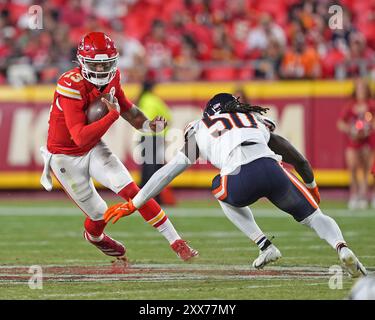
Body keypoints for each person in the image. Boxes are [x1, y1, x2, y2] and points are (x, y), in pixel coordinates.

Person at [104, 93, 367, 277]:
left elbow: (167, 173)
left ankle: (264, 245)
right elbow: (297, 157)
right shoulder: (255, 120)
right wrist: (310, 185)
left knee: (219, 190)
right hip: (273, 169)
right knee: (315, 217)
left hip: (239, 177)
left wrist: (135, 203)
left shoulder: (200, 127)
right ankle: (342, 247)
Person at [39, 32, 198, 263]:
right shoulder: (70, 84)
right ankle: (94, 237)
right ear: (82, 62)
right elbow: (80, 137)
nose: (103, 70)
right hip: (65, 156)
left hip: (93, 147)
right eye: (97, 64)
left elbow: (126, 108)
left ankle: (177, 242)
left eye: (106, 64)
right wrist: (111, 116)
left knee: (135, 191)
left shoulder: (113, 78)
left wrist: (147, 125)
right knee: (99, 213)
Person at [136, 79, 175, 205]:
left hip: (145, 136)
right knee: (155, 169)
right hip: (155, 137)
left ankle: (142, 196)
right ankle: (154, 198)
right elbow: (167, 116)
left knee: (147, 168)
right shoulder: (153, 99)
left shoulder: (142, 100)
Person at [337, 79, 375, 209]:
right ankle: (354, 194)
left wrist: (369, 128)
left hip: (368, 140)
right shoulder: (350, 105)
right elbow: (341, 123)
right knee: (352, 167)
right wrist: (351, 129)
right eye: (359, 89)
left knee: (367, 169)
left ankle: (364, 195)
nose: (361, 92)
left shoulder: (371, 105)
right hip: (353, 141)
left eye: (363, 89)